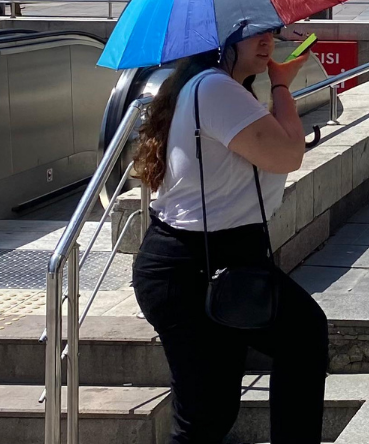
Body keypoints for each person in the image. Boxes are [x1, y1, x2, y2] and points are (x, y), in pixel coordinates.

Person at [131, 29, 327, 444]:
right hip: (192, 266)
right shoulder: (215, 88)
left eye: (269, 32)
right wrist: (280, 86)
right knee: (204, 415)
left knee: (296, 342)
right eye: (250, 34)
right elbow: (288, 154)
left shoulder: (214, 86)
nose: (266, 42)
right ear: (221, 42)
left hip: (220, 257)